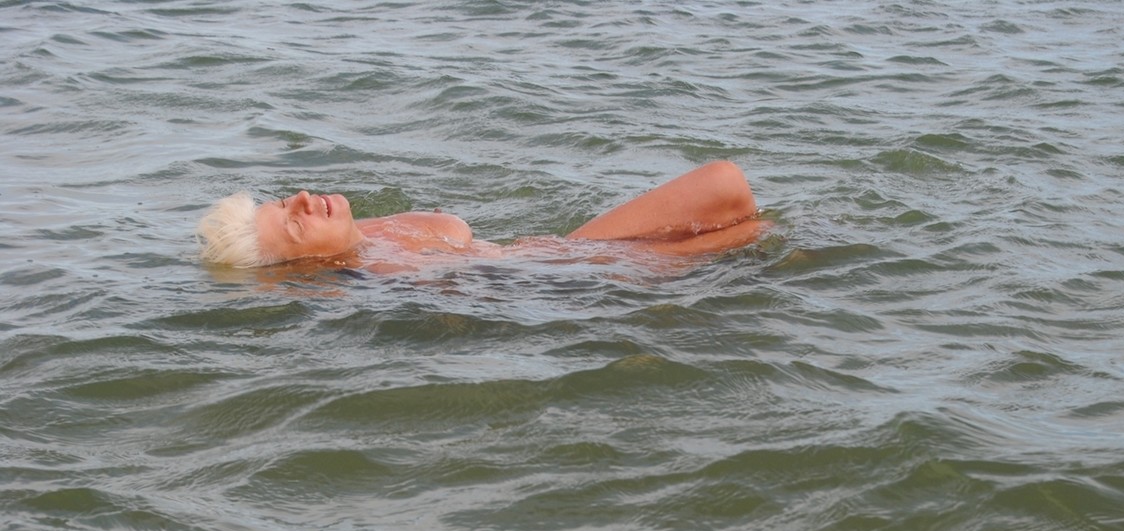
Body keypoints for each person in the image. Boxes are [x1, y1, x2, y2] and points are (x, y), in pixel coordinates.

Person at [198, 161, 767, 273]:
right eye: (295, 223)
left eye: (284, 201)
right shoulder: (384, 273)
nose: (303, 197)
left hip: (551, 257)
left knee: (751, 228)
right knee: (729, 193)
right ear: (309, 267)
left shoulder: (357, 237)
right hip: (564, 278)